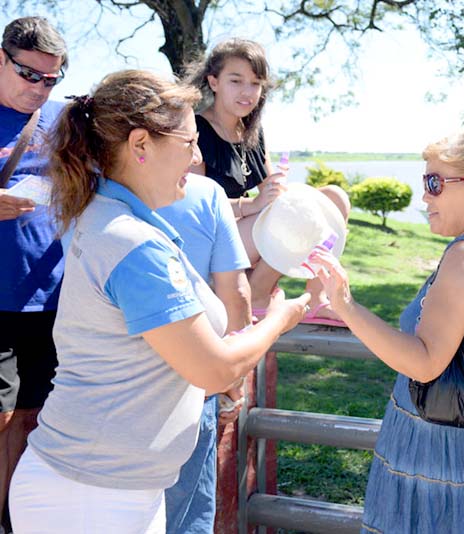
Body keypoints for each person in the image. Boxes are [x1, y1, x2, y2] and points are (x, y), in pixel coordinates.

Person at [8, 70, 309, 533]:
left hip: (100, 487)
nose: (196, 157)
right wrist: (279, 321)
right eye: (189, 143)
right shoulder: (134, 244)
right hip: (93, 497)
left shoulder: (114, 217)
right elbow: (212, 369)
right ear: (141, 145)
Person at [311, 122, 464, 533]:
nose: (425, 196)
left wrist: (346, 305)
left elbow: (424, 363)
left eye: (436, 183)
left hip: (442, 452)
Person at [185, 38, 350, 323]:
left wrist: (282, 193)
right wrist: (252, 205)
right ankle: (259, 294)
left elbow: (273, 193)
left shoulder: (252, 131)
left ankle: (319, 297)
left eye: (255, 83)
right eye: (236, 81)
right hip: (212, 240)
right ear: (213, 82)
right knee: (288, 218)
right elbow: (195, 206)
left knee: (334, 198)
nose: (247, 92)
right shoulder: (197, 129)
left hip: (247, 235)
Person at [0, 16, 68, 532]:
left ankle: (18, 518)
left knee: (34, 417)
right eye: (31, 76)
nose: (41, 89)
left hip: (51, 299)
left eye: (52, 79)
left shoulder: (65, 121)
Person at [157, 173, 252, 534]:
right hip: (193, 382)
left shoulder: (85, 189)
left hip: (106, 390)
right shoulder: (206, 193)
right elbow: (236, 293)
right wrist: (233, 380)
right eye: (190, 140)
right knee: (187, 513)